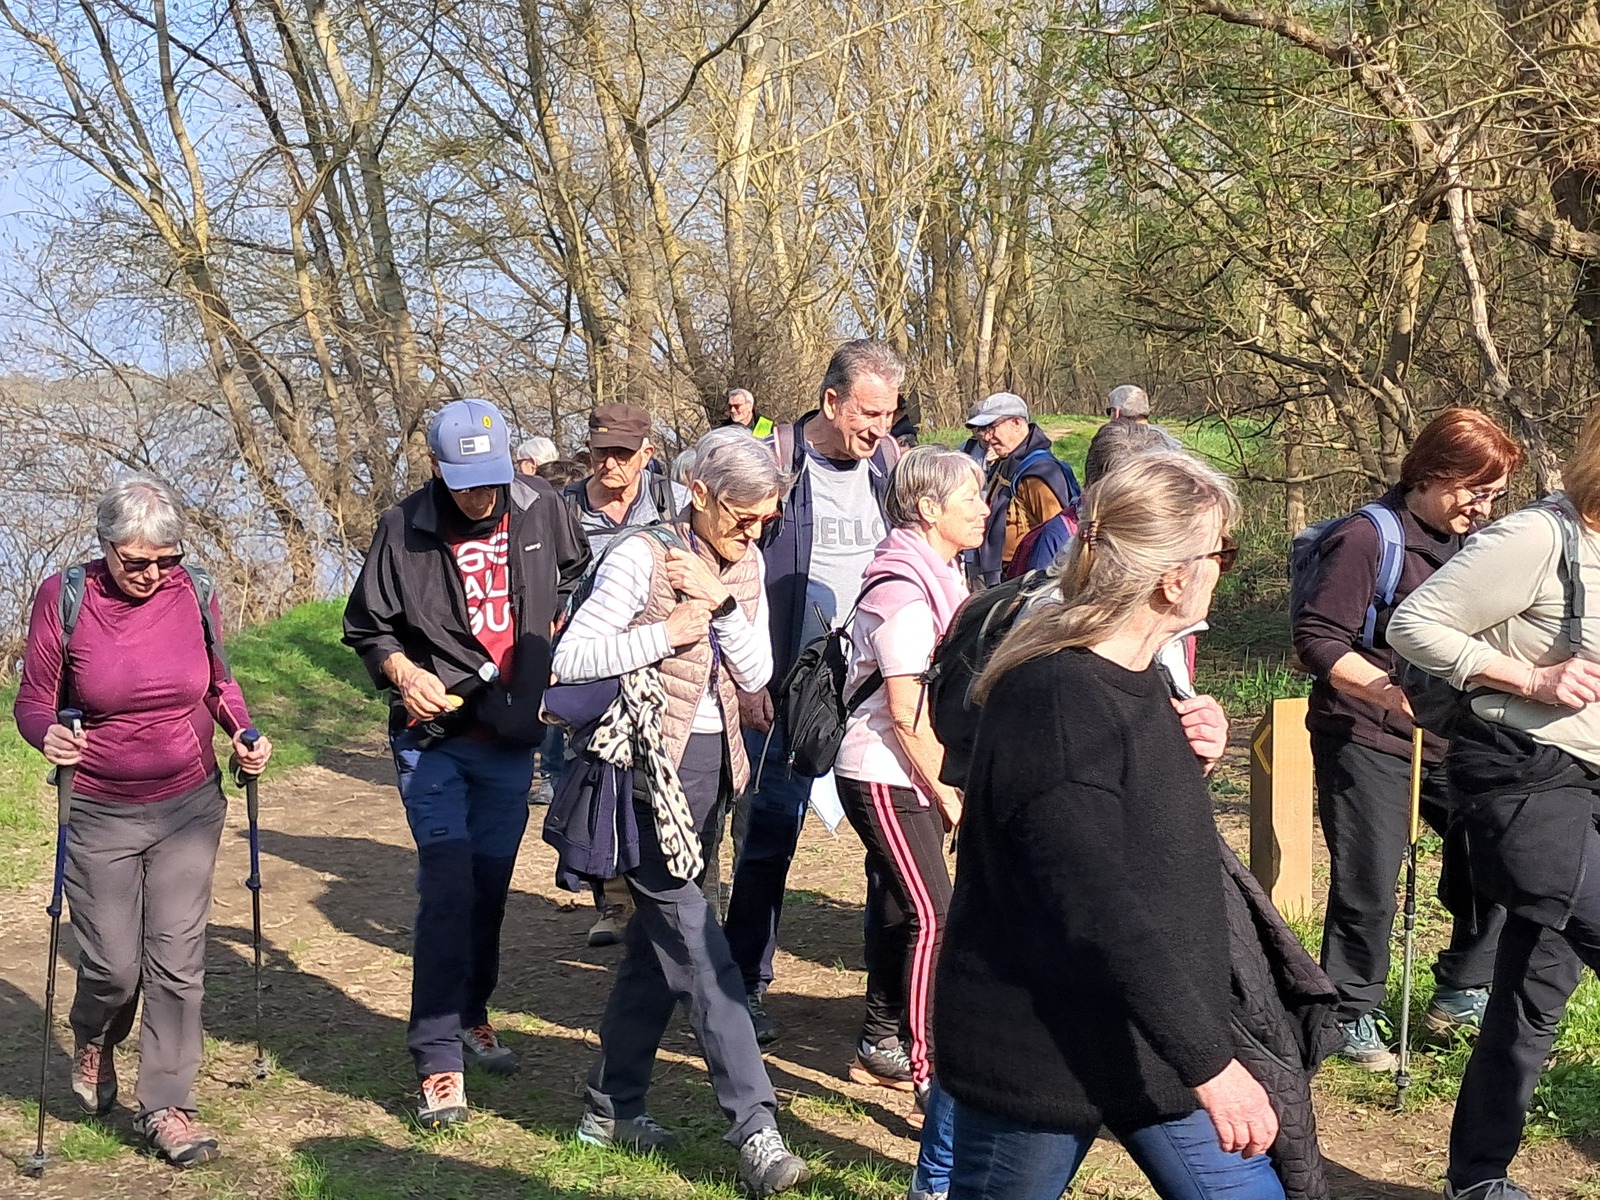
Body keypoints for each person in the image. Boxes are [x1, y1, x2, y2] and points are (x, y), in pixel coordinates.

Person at [935, 451, 1284, 1200]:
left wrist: (1186, 762)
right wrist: (1213, 1066)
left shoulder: (1138, 673)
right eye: (1220, 554)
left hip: (1151, 1037)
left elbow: (1126, 834)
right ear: (1173, 578)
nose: (1224, 571)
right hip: (1046, 1047)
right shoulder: (1056, 696)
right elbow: (1093, 898)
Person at [553, 426, 811, 1196]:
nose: (754, 533)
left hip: (710, 773)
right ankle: (756, 1127)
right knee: (700, 945)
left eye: (766, 521)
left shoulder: (744, 562)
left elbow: (757, 671)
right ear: (699, 492)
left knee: (656, 943)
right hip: (642, 777)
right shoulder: (639, 556)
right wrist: (665, 633)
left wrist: (721, 602)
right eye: (743, 516)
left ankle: (610, 1106)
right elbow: (569, 660)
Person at [13, 474, 274, 1167]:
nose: (152, 573)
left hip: (189, 803)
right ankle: (95, 1033)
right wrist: (48, 735)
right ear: (104, 548)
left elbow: (219, 682)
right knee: (113, 968)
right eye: (135, 561)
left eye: (167, 559)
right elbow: (33, 701)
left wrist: (244, 732)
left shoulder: (196, 593)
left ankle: (167, 1105)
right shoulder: (66, 596)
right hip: (100, 809)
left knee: (178, 962)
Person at [342, 398, 590, 1128]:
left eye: (490, 481)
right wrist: (401, 673)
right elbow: (368, 627)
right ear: (434, 468)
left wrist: (551, 639)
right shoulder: (403, 529)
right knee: (447, 887)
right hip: (435, 741)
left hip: (511, 739)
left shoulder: (541, 508)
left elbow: (574, 573)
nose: (481, 496)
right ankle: (437, 1057)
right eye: (465, 483)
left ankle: (472, 1010)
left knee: (487, 889)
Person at [1387, 416, 1600, 1200]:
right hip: (1525, 780)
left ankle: (1476, 1178)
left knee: (1532, 994)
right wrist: (1528, 678)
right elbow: (1411, 625)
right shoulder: (1537, 537)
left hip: (1589, 785)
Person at [1293, 408, 1521, 1069]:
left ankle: (1462, 990)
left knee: (1498, 852)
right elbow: (1317, 639)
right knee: (1370, 879)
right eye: (1475, 491)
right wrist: (1389, 693)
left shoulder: (1477, 544)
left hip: (1456, 735)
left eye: (1495, 496)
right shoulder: (1368, 538)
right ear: (1433, 474)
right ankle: (1351, 1012)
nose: (1483, 508)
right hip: (1365, 730)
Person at [723, 338, 904, 1045]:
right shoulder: (774, 463)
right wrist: (746, 678)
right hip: (786, 690)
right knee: (769, 838)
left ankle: (888, 1008)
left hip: (871, 687)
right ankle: (743, 984)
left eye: (889, 414)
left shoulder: (890, 467)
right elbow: (729, 572)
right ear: (831, 401)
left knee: (888, 846)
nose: (879, 428)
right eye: (868, 413)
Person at [833, 446, 987, 1192]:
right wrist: (949, 792)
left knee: (900, 910)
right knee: (935, 916)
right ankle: (931, 1074)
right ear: (928, 509)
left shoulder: (943, 576)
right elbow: (902, 711)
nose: (984, 509)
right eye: (971, 498)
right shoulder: (901, 590)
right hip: (884, 773)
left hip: (912, 771)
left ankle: (879, 1042)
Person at [561, 402, 692, 944]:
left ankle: (671, 893)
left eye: (623, 453)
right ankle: (614, 900)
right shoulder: (563, 510)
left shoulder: (676, 503)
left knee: (659, 774)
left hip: (665, 660)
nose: (610, 464)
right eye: (601, 453)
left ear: (647, 454)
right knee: (599, 770)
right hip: (591, 659)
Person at [1014, 419, 1182, 577]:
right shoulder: (1059, 536)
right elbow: (1039, 596)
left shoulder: (1159, 537)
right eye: (1130, 498)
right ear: (1091, 487)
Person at [966, 392, 1079, 585]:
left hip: (1023, 581)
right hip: (1002, 577)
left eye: (991, 428)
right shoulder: (1007, 460)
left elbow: (1059, 541)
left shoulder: (1040, 475)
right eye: (982, 430)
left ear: (1017, 423)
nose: (986, 437)